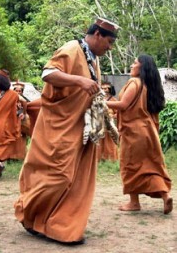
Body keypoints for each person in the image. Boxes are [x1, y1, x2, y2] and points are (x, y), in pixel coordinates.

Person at [15, 18, 119, 244]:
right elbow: (47, 74)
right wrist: (80, 81)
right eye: (109, 42)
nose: (109, 48)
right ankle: (28, 212)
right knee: (58, 176)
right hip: (59, 128)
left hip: (81, 129)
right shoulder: (72, 48)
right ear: (98, 35)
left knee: (78, 180)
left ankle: (61, 226)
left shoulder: (94, 61)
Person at [106, 55, 172, 214]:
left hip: (134, 132)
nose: (131, 65)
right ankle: (165, 196)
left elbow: (123, 105)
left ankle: (134, 203)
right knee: (150, 166)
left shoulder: (135, 82)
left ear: (141, 68)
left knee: (130, 165)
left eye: (134, 63)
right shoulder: (147, 85)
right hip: (147, 131)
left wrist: (98, 102)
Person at [98, 81, 119, 162]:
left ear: (110, 89)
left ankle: (111, 159)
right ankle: (99, 158)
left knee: (110, 141)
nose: (105, 90)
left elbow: (118, 113)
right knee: (99, 141)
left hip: (110, 123)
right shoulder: (98, 98)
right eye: (102, 88)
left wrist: (112, 117)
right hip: (99, 123)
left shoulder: (113, 100)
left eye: (106, 88)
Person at [10, 82, 29, 161]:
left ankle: (19, 155)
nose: (18, 92)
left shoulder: (24, 100)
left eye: (19, 91)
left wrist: (24, 115)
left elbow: (26, 109)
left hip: (21, 121)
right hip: (12, 122)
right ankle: (10, 156)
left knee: (22, 138)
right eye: (16, 91)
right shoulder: (10, 99)